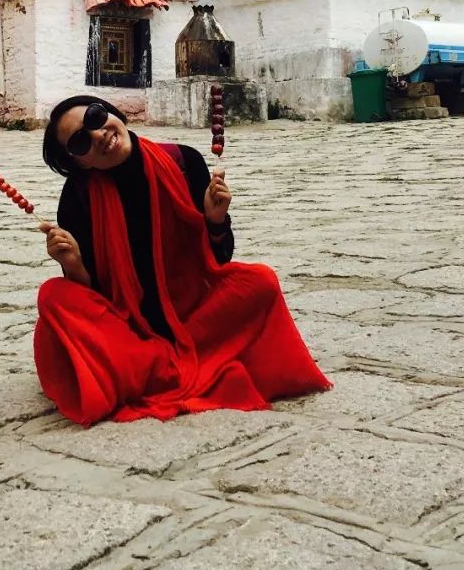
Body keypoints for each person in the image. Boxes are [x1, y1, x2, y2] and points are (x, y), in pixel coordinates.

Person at [33, 95, 331, 427]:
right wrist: (73, 264)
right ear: (81, 163)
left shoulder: (182, 160)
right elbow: (94, 297)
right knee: (54, 295)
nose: (98, 134)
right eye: (80, 141)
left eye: (95, 117)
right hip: (130, 330)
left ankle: (148, 373)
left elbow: (218, 259)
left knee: (260, 281)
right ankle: (160, 364)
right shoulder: (78, 196)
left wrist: (216, 221)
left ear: (114, 113)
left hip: (194, 317)